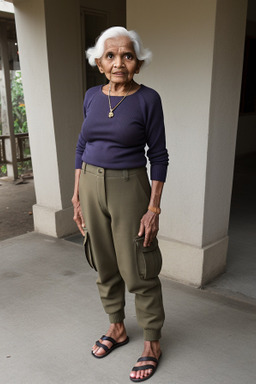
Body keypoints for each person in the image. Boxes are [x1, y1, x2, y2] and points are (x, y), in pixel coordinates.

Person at [72, 26, 168, 382]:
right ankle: (117, 328)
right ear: (99, 63)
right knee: (103, 263)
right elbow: (82, 146)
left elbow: (158, 155)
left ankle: (153, 342)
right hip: (91, 187)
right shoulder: (92, 96)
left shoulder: (148, 99)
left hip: (130, 186)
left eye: (127, 55)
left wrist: (153, 207)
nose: (118, 63)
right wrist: (77, 194)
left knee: (139, 266)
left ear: (138, 63)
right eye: (110, 56)